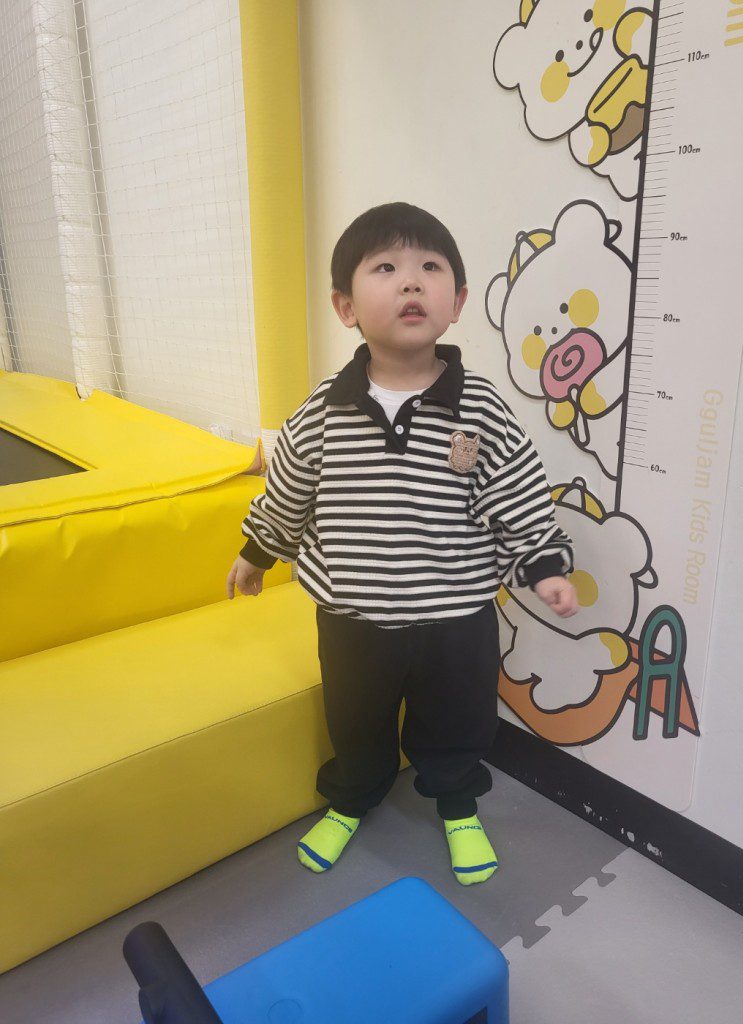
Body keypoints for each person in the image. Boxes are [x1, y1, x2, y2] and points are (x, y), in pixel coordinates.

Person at [226, 202, 578, 886]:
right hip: (353, 616)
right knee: (355, 720)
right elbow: (289, 491)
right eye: (385, 268)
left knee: (457, 721)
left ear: (458, 302)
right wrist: (257, 551)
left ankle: (457, 806)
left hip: (455, 616)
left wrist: (542, 566)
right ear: (346, 306)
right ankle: (352, 798)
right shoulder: (323, 411)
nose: (411, 282)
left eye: (430, 268)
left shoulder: (480, 408)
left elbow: (517, 492)